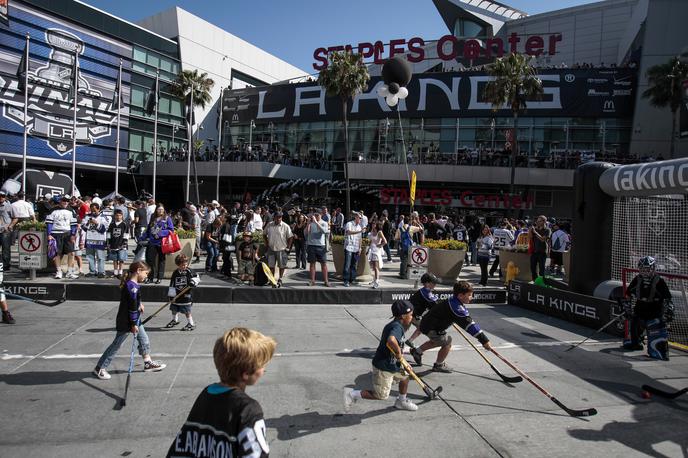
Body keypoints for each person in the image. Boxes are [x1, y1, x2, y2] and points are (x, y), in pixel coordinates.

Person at [166, 327, 275, 457]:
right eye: (262, 365)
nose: (264, 368)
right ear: (246, 374)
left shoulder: (207, 393)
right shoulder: (248, 409)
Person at [93, 261, 166, 380]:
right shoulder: (132, 287)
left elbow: (133, 302)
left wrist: (139, 304)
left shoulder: (133, 285)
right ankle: (100, 367)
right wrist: (133, 324)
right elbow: (131, 307)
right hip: (127, 321)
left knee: (144, 339)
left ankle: (147, 362)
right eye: (146, 273)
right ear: (138, 271)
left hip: (135, 318)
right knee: (117, 344)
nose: (146, 276)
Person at [343, 300, 418, 412]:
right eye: (410, 315)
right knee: (381, 395)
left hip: (394, 363)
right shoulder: (396, 327)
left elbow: (397, 344)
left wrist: (404, 362)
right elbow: (391, 340)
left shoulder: (398, 325)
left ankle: (401, 401)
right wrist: (398, 353)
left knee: (405, 377)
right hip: (384, 366)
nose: (412, 317)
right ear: (403, 316)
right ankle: (351, 394)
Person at [410, 281, 492, 372]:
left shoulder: (453, 300)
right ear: (460, 295)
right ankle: (438, 365)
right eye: (469, 295)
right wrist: (484, 340)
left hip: (428, 324)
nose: (471, 297)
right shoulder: (456, 307)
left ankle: (417, 352)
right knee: (447, 343)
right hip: (432, 327)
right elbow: (470, 325)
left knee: (437, 340)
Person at [623, 256, 674, 360]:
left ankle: (657, 347)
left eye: (647, 269)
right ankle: (636, 341)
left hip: (655, 314)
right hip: (639, 312)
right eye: (642, 269)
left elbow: (668, 299)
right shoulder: (637, 279)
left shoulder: (659, 281)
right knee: (634, 333)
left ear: (653, 268)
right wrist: (627, 309)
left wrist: (668, 312)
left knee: (658, 351)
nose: (644, 272)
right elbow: (628, 295)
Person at [166, 254, 201, 331]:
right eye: (182, 265)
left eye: (186, 264)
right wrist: (171, 296)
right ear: (178, 265)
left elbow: (197, 277)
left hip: (186, 295)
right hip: (176, 295)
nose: (184, 266)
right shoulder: (175, 273)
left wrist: (193, 282)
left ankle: (191, 323)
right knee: (174, 309)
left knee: (187, 311)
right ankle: (175, 320)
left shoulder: (189, 271)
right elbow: (172, 284)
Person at [46, 196, 78, 279]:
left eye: (67, 201)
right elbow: (49, 223)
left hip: (67, 234)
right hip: (56, 234)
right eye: (64, 201)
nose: (66, 202)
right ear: (60, 201)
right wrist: (49, 234)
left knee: (71, 253)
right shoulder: (52, 210)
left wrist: (73, 234)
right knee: (57, 253)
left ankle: (69, 272)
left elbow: (73, 224)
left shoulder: (71, 210)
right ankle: (59, 271)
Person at [406, 273, 439, 348]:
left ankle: (409, 341)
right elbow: (435, 305)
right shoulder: (426, 293)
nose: (435, 285)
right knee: (424, 326)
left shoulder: (425, 291)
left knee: (420, 327)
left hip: (412, 313)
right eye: (433, 283)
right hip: (412, 314)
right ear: (427, 283)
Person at [145, 205, 174, 284]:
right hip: (152, 242)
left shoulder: (167, 218)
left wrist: (161, 233)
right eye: (159, 209)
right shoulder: (153, 218)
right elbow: (148, 229)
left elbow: (171, 230)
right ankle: (151, 277)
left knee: (161, 260)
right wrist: (143, 237)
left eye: (162, 209)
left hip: (162, 243)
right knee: (150, 260)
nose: (160, 211)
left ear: (164, 210)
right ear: (156, 210)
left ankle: (159, 277)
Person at [263, 211, 293, 287]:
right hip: (271, 248)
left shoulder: (285, 226)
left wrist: (288, 247)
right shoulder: (269, 225)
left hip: (282, 249)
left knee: (281, 266)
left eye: (280, 217)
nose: (279, 218)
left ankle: (280, 279)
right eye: (278, 217)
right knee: (271, 266)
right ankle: (271, 280)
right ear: (274, 217)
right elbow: (264, 234)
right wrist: (266, 244)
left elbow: (290, 237)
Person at [82, 202, 109, 278]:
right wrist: (88, 223)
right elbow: (83, 228)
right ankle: (92, 271)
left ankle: (101, 271)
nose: (93, 211)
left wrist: (96, 223)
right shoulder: (87, 216)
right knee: (90, 256)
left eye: (94, 209)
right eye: (92, 209)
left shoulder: (103, 217)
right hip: (90, 239)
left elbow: (104, 229)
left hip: (100, 240)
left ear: (98, 208)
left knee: (100, 257)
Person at [306, 211, 330, 287]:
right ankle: (312, 281)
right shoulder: (311, 222)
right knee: (312, 264)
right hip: (311, 245)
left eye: (317, 215)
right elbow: (305, 233)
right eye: (315, 215)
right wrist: (308, 224)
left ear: (321, 215)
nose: (316, 216)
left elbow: (324, 231)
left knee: (324, 264)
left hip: (321, 246)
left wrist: (316, 222)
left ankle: (326, 281)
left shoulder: (324, 223)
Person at [106, 209, 130, 278]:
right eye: (117, 215)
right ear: (114, 216)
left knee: (121, 259)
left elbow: (126, 235)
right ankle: (115, 272)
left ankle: (120, 272)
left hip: (122, 244)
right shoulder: (112, 224)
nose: (118, 217)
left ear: (122, 216)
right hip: (113, 244)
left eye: (120, 215)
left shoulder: (124, 224)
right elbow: (108, 234)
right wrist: (108, 243)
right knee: (114, 259)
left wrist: (124, 243)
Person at [342, 212, 363, 287]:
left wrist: (360, 248)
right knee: (347, 264)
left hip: (356, 248)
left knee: (354, 264)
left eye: (361, 218)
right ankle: (346, 280)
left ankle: (352, 279)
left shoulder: (359, 227)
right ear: (355, 217)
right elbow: (348, 232)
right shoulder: (349, 224)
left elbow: (360, 238)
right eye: (359, 217)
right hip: (348, 247)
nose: (360, 219)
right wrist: (359, 231)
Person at [529, 215, 551, 280]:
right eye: (537, 221)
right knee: (532, 268)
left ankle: (542, 282)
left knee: (542, 269)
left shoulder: (547, 230)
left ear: (544, 221)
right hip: (534, 251)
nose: (537, 222)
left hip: (542, 252)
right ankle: (535, 281)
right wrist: (530, 231)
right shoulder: (535, 229)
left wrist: (535, 232)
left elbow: (543, 239)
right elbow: (530, 237)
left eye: (539, 221)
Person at [367, 222, 387, 289]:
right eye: (372, 224)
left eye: (374, 224)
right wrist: (367, 250)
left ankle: (377, 281)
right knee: (373, 267)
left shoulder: (379, 232)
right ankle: (374, 279)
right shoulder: (371, 232)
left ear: (377, 225)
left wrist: (380, 245)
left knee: (376, 267)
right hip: (371, 251)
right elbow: (370, 242)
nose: (373, 225)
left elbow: (385, 241)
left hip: (376, 251)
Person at [0, 192, 13, 270]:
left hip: (5, 231)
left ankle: (6, 265)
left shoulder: (9, 206)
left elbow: (15, 218)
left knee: (6, 249)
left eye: (3, 196)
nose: (1, 197)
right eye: (0, 196)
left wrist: (10, 226)